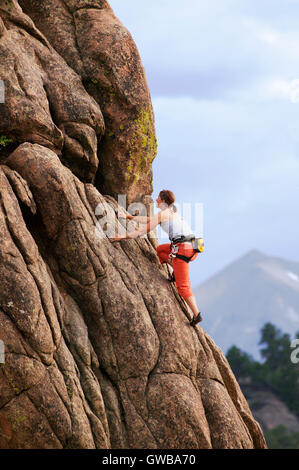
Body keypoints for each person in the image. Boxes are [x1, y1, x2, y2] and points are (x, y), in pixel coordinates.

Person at [110, 189, 202, 326]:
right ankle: (175, 272)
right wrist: (129, 217)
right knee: (161, 250)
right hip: (192, 247)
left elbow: (143, 230)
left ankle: (196, 314)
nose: (156, 199)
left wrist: (122, 237)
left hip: (183, 250)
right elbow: (150, 220)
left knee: (182, 286)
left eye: (158, 198)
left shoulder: (164, 214)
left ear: (163, 201)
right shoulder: (173, 211)